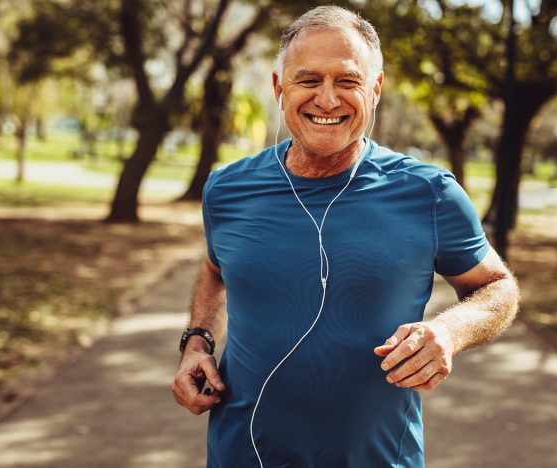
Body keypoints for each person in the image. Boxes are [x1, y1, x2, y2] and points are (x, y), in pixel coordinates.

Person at [172, 6, 519, 467]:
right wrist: (197, 343)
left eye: (348, 81)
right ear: (280, 88)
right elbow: (216, 269)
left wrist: (447, 332)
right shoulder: (227, 188)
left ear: (374, 90)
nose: (328, 99)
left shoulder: (430, 193)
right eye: (309, 80)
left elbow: (498, 287)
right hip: (240, 452)